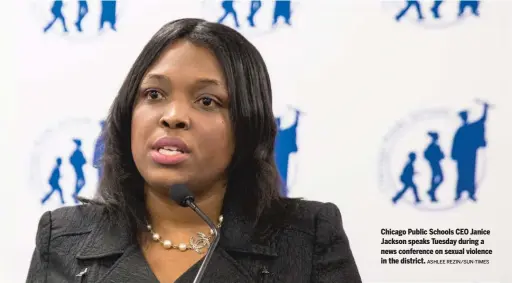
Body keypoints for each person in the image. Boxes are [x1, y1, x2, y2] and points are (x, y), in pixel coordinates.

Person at [26, 18, 361, 283]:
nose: (173, 117)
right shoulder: (63, 238)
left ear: (247, 125)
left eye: (207, 101)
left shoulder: (308, 237)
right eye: (154, 94)